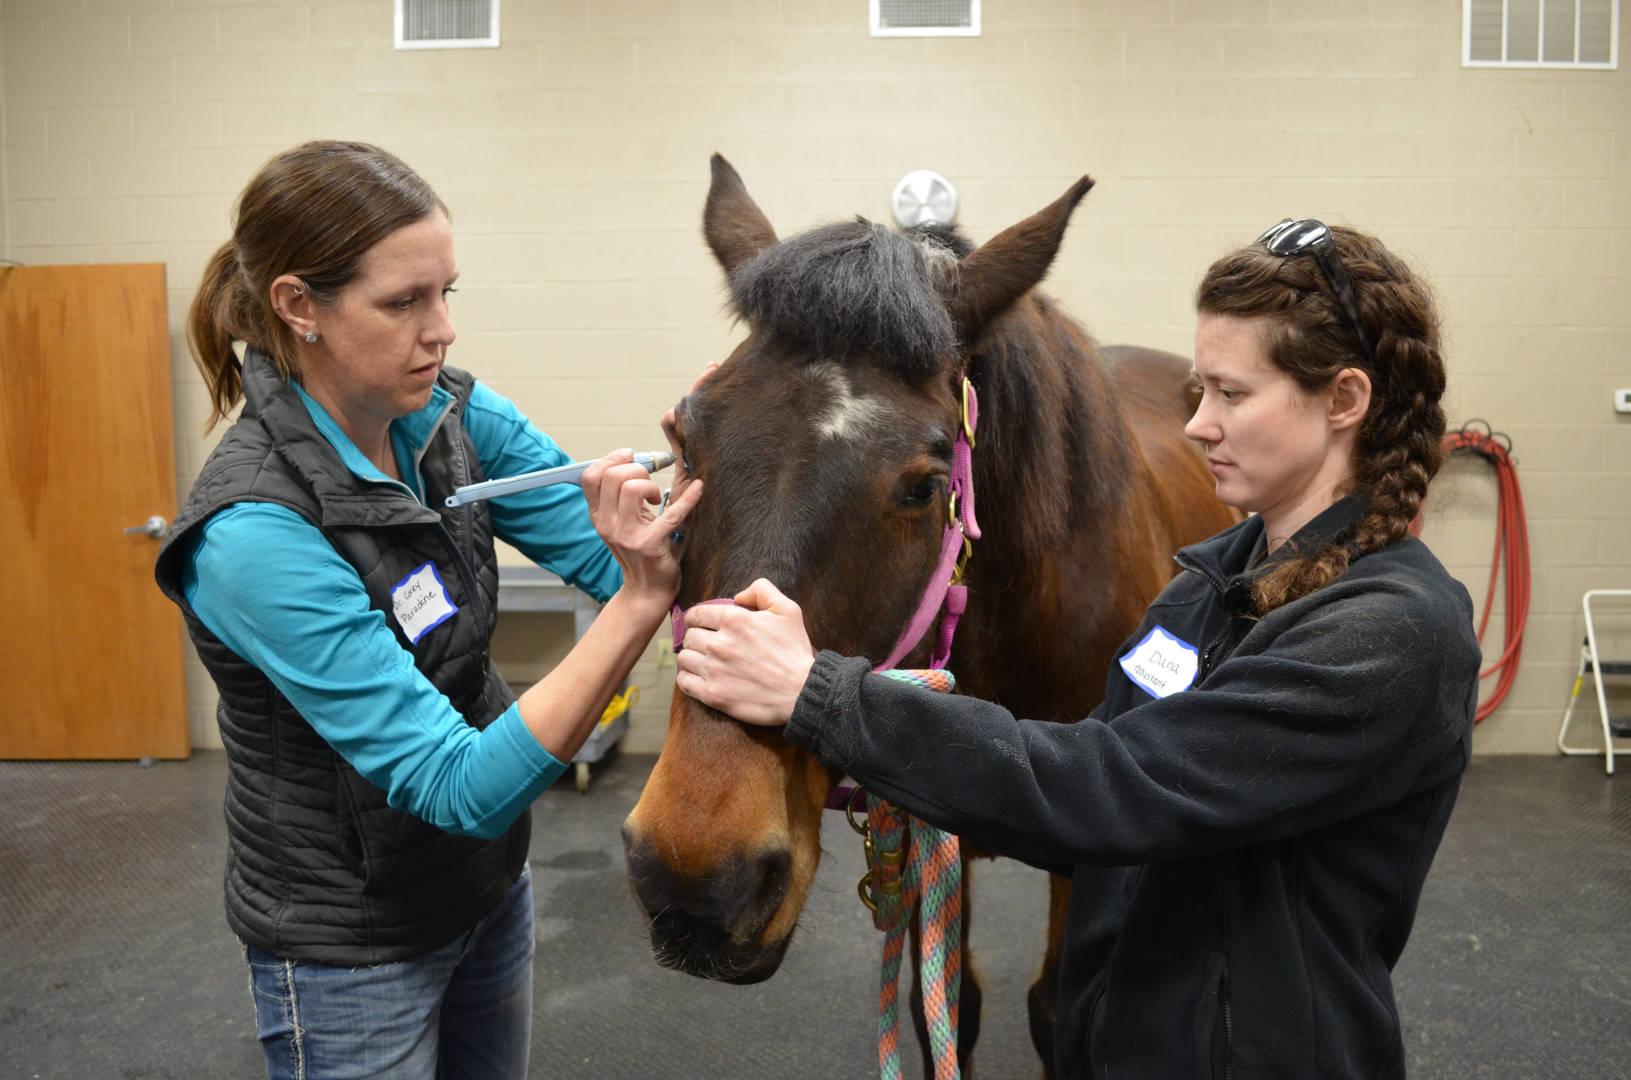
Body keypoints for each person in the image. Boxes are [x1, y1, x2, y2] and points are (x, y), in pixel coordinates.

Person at [673, 219, 1480, 1078]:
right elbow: (1087, 790)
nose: (1198, 424)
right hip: (1127, 1038)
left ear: (1344, 400)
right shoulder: (1203, 590)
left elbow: (1115, 792)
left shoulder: (1391, 633)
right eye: (1196, 391)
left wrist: (827, 700)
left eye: (1229, 395)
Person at [153, 140, 700, 1079]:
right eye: (403, 302)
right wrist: (641, 599)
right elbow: (456, 788)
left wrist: (705, 513)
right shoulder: (253, 531)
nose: (440, 329)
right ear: (298, 306)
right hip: (352, 944)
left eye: (447, 293)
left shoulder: (447, 415)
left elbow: (621, 561)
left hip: (486, 890)